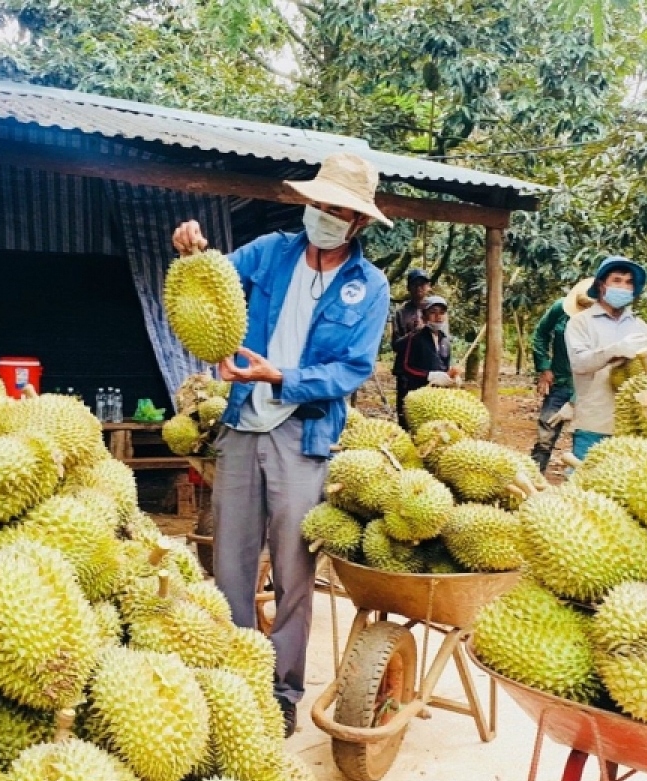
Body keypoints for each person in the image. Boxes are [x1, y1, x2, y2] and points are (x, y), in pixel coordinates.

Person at [170, 152, 391, 736]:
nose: (324, 216)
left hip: (306, 432)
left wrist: (281, 379)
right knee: (233, 559)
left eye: (338, 210)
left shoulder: (369, 287)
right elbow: (212, 282)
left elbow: (353, 369)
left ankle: (283, 689)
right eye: (319, 204)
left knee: (295, 569)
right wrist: (192, 248)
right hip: (243, 424)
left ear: (359, 221)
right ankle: (236, 677)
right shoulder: (269, 252)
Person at [564, 255, 647, 459]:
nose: (623, 287)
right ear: (601, 285)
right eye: (616, 280)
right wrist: (614, 350)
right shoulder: (581, 323)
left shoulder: (640, 326)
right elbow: (579, 364)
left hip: (634, 425)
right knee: (585, 484)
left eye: (629, 283)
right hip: (594, 421)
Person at [529, 278, 593, 472]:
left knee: (584, 440)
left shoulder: (601, 325)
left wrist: (574, 401)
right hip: (560, 381)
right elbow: (540, 335)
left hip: (588, 389)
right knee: (545, 436)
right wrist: (544, 367)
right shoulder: (560, 308)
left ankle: (577, 484)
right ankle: (533, 476)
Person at [392, 296, 460, 397]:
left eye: (442, 313)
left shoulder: (445, 340)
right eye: (433, 312)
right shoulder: (415, 338)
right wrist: (430, 376)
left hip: (438, 394)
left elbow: (446, 366)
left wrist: (453, 377)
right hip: (417, 393)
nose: (438, 317)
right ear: (424, 316)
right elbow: (406, 367)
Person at [391, 268, 432, 422]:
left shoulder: (435, 309)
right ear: (408, 287)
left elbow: (443, 340)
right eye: (415, 284)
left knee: (428, 412)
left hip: (428, 369)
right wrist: (413, 334)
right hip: (406, 371)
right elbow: (395, 345)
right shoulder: (401, 313)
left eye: (422, 284)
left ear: (429, 287)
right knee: (405, 412)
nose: (419, 288)